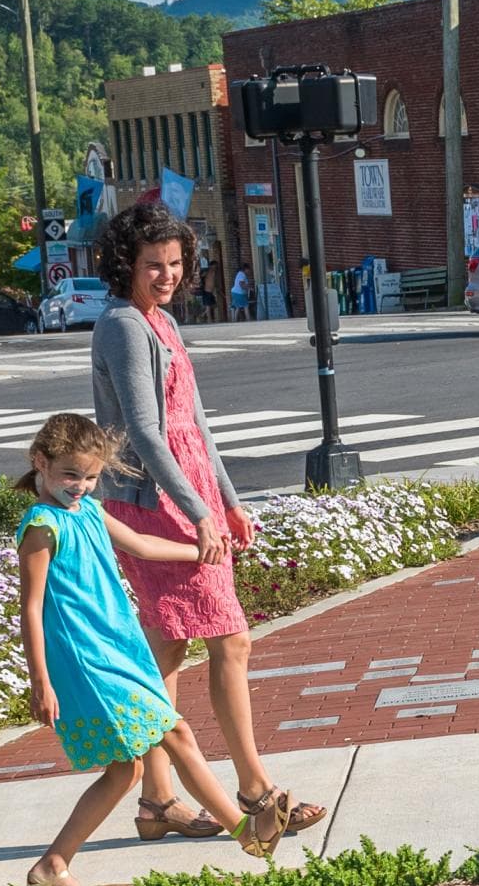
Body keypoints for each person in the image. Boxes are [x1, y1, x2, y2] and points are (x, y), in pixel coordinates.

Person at [88, 196, 329, 846]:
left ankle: (158, 799)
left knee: (167, 647)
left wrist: (225, 499)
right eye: (151, 264)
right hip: (153, 504)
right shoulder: (122, 326)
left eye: (173, 262)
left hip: (187, 495)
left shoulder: (160, 322)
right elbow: (144, 429)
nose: (165, 274)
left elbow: (195, 423)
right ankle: (255, 792)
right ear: (124, 265)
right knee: (231, 639)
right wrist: (197, 511)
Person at [12, 413, 277, 886]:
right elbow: (30, 608)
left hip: (119, 646)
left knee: (126, 770)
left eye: (91, 477)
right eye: (70, 474)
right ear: (41, 463)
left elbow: (141, 544)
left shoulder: (88, 511)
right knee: (175, 733)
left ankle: (52, 865)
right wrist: (41, 681)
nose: (81, 486)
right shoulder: (41, 526)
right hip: (88, 659)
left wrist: (202, 551)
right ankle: (246, 833)